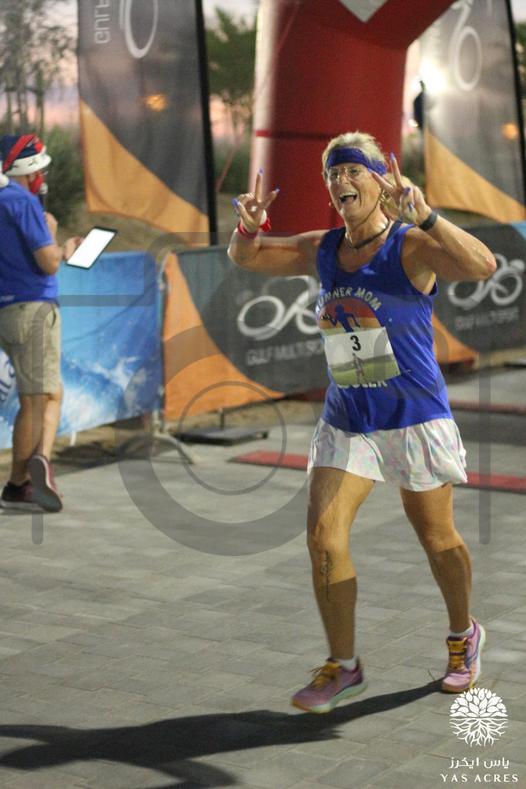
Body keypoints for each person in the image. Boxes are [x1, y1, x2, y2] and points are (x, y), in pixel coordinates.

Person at [227, 131, 496, 713]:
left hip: (412, 415)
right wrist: (248, 228)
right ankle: (343, 665)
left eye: (351, 171)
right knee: (323, 539)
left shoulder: (410, 246)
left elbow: (483, 265)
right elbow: (248, 257)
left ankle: (463, 634)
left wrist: (427, 215)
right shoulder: (323, 248)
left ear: (379, 181)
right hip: (349, 418)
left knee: (437, 538)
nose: (339, 182)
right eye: (332, 173)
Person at [0, 133, 81, 512]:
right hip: (33, 308)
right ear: (29, 170)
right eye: (40, 170)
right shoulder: (21, 201)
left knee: (47, 394)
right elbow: (47, 263)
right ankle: (27, 477)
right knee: (37, 400)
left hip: (9, 309)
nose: (43, 178)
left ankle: (31, 471)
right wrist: (56, 241)